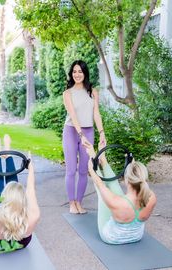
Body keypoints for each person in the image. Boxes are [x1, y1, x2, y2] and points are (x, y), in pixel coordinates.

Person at [84, 141, 157, 244]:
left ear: (127, 180)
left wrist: (92, 165)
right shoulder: (152, 197)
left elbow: (100, 184)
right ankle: (103, 160)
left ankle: (101, 159)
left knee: (102, 194)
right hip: (136, 237)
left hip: (112, 238)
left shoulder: (117, 202)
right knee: (113, 192)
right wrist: (131, 163)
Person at [0, 134, 40, 252]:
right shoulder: (34, 215)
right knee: (12, 190)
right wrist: (31, 168)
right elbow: (31, 189)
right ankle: (6, 153)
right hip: (21, 244)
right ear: (23, 199)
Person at [62, 60, 106, 214]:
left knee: (83, 170)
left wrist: (101, 132)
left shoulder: (92, 92)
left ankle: (79, 202)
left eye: (80, 71)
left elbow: (96, 113)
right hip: (71, 132)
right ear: (71, 74)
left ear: (85, 73)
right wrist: (81, 135)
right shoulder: (67, 93)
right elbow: (73, 115)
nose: (77, 74)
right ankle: (72, 203)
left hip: (88, 132)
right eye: (74, 71)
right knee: (71, 170)